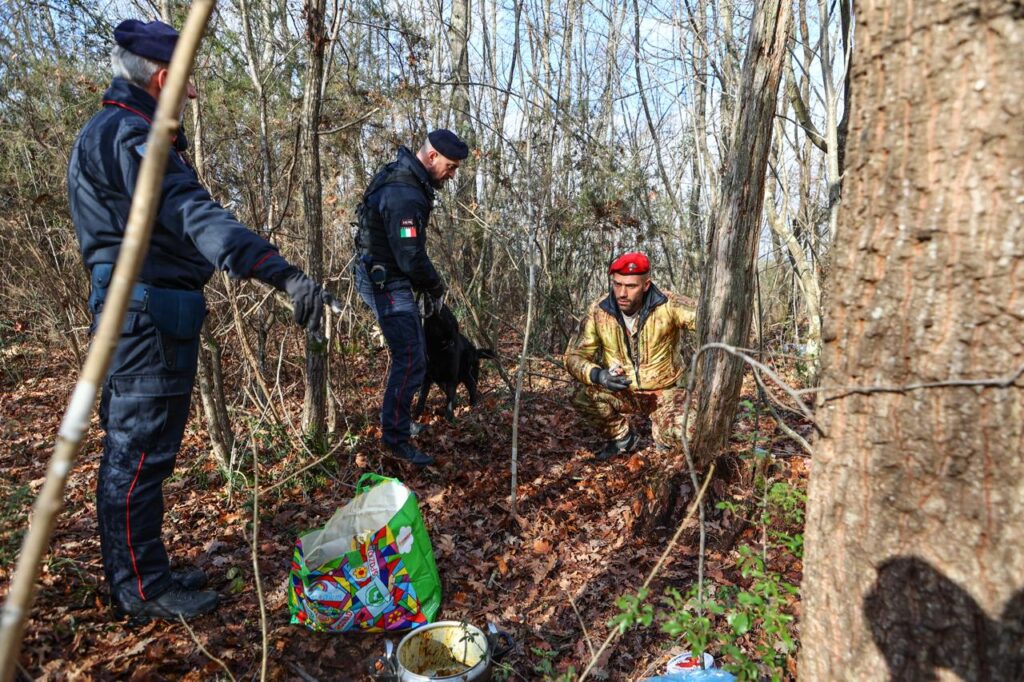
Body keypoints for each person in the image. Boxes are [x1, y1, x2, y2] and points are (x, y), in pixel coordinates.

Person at [67, 19, 333, 620]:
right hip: (145, 314)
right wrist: (281, 273)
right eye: (186, 83)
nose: (192, 95)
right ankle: (142, 587)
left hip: (144, 308)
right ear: (162, 78)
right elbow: (196, 216)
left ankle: (144, 569)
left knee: (144, 449)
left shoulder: (110, 132)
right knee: (138, 451)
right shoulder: (136, 139)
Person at [353, 130, 469, 467]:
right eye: (450, 166)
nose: (452, 174)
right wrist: (435, 286)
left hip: (386, 276)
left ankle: (399, 424)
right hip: (386, 281)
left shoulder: (405, 177)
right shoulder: (405, 192)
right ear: (432, 157)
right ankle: (397, 440)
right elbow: (410, 257)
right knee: (411, 358)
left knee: (413, 353)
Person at [564, 252, 697, 459]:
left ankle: (663, 438)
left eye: (631, 286)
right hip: (623, 391)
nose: (622, 293)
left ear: (646, 285)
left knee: (683, 434)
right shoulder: (599, 311)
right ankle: (622, 439)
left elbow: (712, 319)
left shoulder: (668, 304)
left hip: (666, 393)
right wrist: (600, 375)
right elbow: (573, 356)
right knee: (580, 395)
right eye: (617, 284)